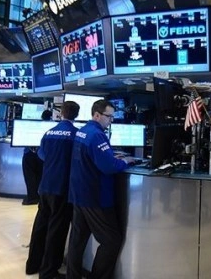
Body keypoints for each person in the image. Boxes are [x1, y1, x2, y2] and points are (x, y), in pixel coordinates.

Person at [67, 100, 135, 279]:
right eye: (108, 116)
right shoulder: (97, 135)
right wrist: (124, 161)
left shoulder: (83, 131)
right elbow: (108, 166)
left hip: (79, 193)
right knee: (111, 241)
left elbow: (93, 157)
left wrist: (110, 156)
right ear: (97, 115)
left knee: (77, 240)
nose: (111, 120)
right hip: (95, 197)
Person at [26, 101, 80, 277]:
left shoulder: (49, 133)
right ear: (77, 115)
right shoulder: (76, 135)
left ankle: (33, 264)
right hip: (62, 187)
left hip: (45, 185)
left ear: (61, 113)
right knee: (57, 230)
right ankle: (49, 271)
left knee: (41, 225)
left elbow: (41, 155)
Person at [21, 108, 51, 205]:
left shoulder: (33, 126)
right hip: (43, 155)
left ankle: (32, 197)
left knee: (29, 177)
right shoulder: (51, 128)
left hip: (29, 153)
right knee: (40, 176)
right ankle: (39, 196)